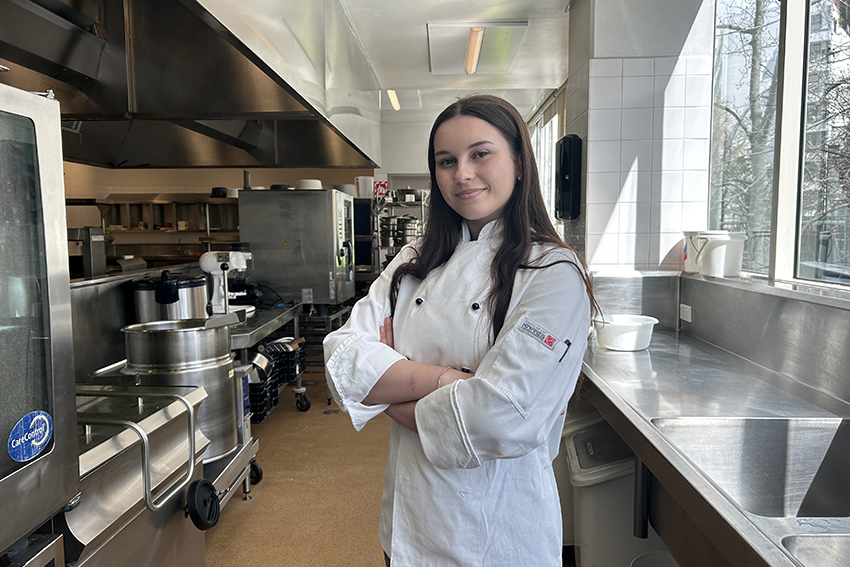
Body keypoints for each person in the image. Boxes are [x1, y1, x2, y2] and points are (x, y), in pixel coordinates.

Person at [323, 94, 597, 566]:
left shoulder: (552, 272)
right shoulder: (412, 264)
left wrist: (389, 382)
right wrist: (449, 381)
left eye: (480, 154)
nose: (462, 174)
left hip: (498, 534)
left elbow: (502, 415)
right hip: (408, 525)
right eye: (446, 161)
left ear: (517, 160)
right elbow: (341, 356)